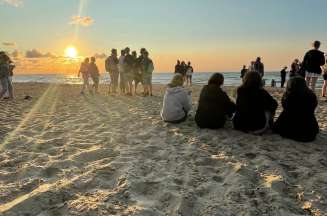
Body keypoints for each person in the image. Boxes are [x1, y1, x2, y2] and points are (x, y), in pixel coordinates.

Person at [273, 77, 319, 142]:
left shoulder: (288, 96)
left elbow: (284, 107)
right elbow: (314, 107)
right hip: (310, 130)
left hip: (291, 129)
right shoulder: (311, 95)